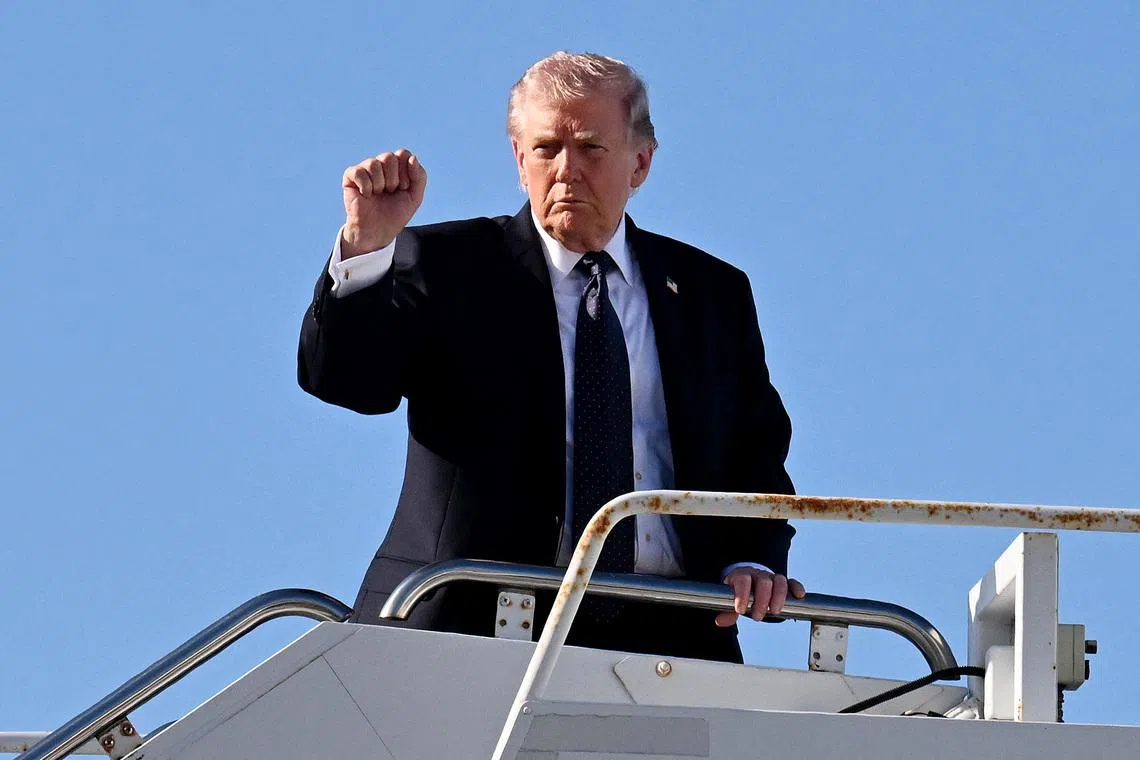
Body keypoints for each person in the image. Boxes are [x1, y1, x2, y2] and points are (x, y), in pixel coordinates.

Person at [298, 52, 804, 664]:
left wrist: (752, 557)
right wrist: (366, 247)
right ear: (519, 161)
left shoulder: (709, 291)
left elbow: (753, 446)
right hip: (472, 627)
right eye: (545, 148)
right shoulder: (447, 265)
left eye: (591, 148)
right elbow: (350, 383)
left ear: (640, 161)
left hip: (675, 635)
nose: (566, 170)